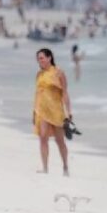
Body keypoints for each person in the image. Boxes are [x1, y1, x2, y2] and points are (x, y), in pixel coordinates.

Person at [32, 48, 71, 176]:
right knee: (43, 138)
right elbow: (37, 93)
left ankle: (65, 166)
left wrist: (69, 112)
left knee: (60, 141)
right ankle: (45, 168)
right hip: (42, 110)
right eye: (38, 58)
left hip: (56, 111)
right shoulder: (39, 74)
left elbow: (65, 93)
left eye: (42, 58)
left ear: (49, 58)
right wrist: (34, 112)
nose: (40, 60)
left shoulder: (59, 73)